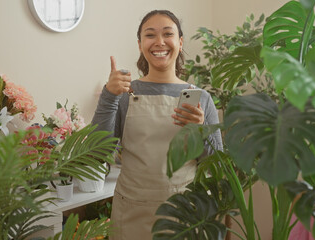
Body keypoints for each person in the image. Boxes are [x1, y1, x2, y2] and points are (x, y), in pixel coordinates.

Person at [91, 10, 222, 239]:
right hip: (132, 211)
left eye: (168, 34)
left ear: (180, 43)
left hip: (185, 212)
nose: (159, 42)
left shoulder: (200, 97)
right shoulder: (123, 94)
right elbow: (97, 154)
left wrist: (202, 132)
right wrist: (109, 96)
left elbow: (218, 165)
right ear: (141, 44)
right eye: (150, 35)